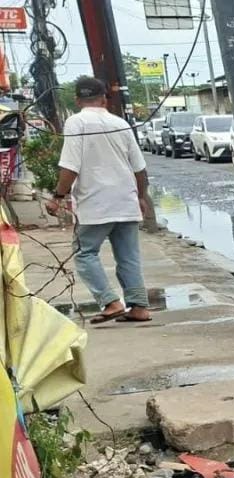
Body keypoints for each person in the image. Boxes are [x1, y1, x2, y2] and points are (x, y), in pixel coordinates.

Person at [45, 76, 153, 324]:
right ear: (104, 98)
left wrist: (57, 197)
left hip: (95, 204)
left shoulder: (76, 122)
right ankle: (139, 307)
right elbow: (139, 169)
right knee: (128, 256)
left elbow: (70, 166)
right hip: (125, 201)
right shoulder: (120, 123)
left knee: (85, 254)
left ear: (77, 100)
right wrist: (140, 197)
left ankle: (110, 302)